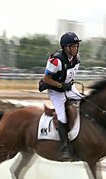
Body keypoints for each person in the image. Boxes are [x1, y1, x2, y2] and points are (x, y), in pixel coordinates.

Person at [41, 31, 83, 161]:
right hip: (56, 91)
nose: (76, 49)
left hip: (69, 88)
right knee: (62, 116)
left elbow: (70, 76)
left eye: (77, 46)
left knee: (86, 103)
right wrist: (60, 86)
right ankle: (64, 147)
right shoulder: (55, 61)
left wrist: (68, 86)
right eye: (73, 46)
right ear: (66, 48)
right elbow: (46, 79)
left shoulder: (77, 58)